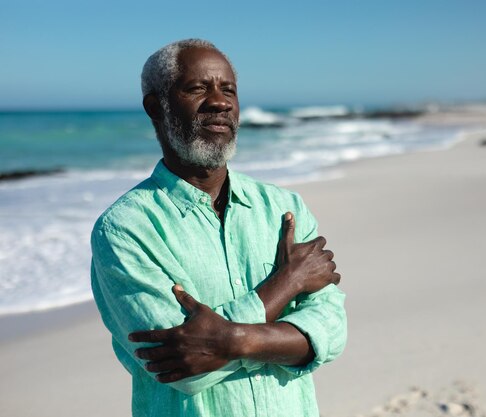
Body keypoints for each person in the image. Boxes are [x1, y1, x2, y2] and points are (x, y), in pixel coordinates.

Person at [90, 38, 347, 417]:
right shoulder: (125, 229)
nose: (220, 102)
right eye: (197, 88)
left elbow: (330, 333)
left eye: (229, 90)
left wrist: (229, 340)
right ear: (155, 106)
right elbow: (182, 370)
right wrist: (287, 282)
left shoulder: (283, 209)